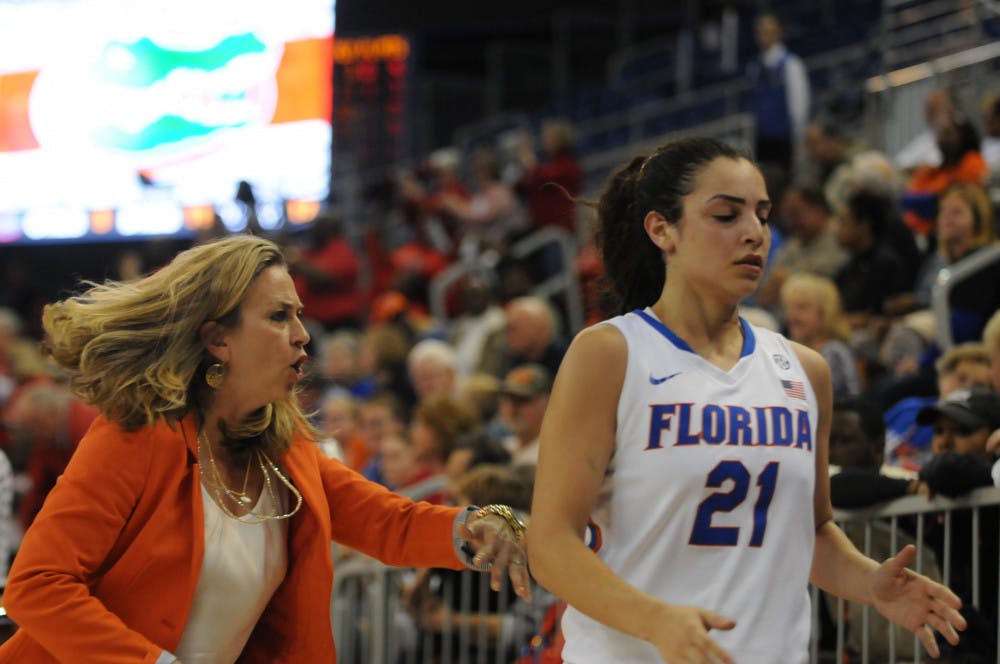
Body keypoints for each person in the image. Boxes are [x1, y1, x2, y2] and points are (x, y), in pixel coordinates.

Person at [526, 137, 965, 663]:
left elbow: (814, 532)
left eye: (762, 215)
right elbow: (551, 543)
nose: (755, 233)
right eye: (726, 215)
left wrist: (872, 583)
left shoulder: (805, 370)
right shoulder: (610, 354)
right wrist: (656, 620)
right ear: (661, 228)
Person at [0, 235, 531, 663]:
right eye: (279, 317)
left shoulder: (286, 450)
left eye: (299, 315)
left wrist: (478, 524)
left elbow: (387, 523)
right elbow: (37, 585)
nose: (303, 335)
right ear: (218, 340)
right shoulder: (136, 436)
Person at [745, 13, 810, 175]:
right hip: (761, 137)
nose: (764, 36)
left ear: (778, 33)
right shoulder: (754, 67)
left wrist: (798, 139)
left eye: (769, 31)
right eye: (761, 32)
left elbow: (799, 104)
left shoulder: (790, 64)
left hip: (783, 137)